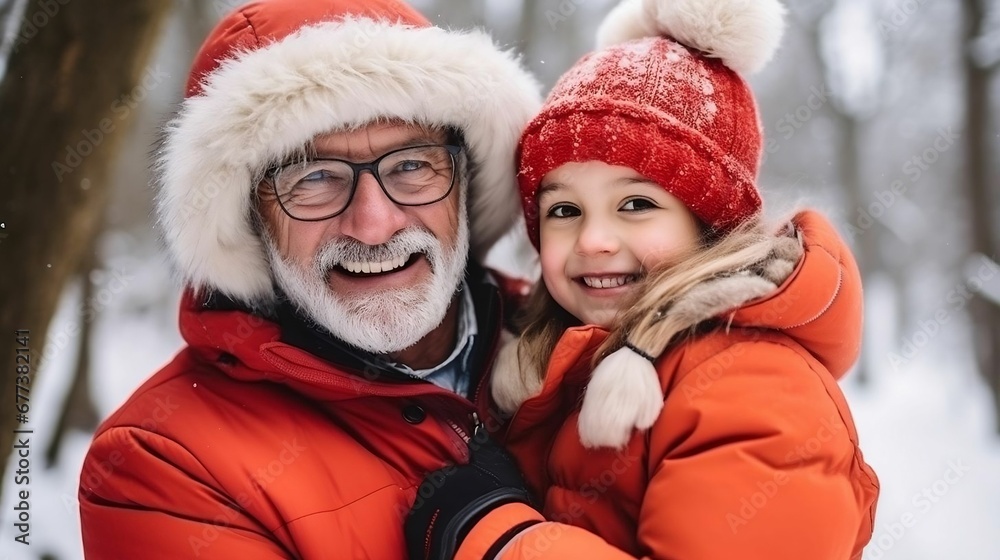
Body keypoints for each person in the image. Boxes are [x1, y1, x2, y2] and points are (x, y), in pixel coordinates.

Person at [403, 0, 880, 558]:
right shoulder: (558, 363)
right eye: (564, 211)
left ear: (711, 224)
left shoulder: (752, 384)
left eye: (634, 203)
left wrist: (501, 539)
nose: (593, 241)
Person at [77, 0, 544, 557]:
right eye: (315, 177)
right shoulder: (162, 462)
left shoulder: (592, 348)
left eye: (412, 166)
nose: (374, 226)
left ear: (464, 179)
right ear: (250, 217)